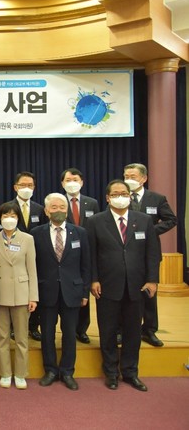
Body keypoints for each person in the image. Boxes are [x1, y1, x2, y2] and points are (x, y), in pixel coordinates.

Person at [88, 180, 160, 392]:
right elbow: (91, 254)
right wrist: (93, 279)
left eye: (124, 193)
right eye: (115, 194)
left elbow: (152, 253)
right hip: (107, 286)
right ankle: (111, 372)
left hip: (137, 286)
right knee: (108, 331)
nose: (120, 197)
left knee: (133, 332)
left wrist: (152, 279)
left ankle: (130, 372)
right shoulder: (95, 221)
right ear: (107, 198)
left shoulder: (144, 220)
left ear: (130, 196)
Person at [31, 193, 91, 391]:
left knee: (69, 334)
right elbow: (33, 265)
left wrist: (85, 293)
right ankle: (50, 370)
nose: (58, 210)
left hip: (72, 291)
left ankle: (67, 371)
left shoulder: (80, 232)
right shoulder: (36, 233)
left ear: (67, 210)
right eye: (54, 207)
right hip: (46, 291)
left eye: (62, 207)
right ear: (47, 211)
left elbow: (86, 265)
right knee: (47, 333)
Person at [123, 163, 177, 348]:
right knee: (124, 291)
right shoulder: (120, 197)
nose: (129, 179)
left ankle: (149, 330)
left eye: (133, 176)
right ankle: (123, 330)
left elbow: (171, 220)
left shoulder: (157, 198)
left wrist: (151, 231)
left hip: (148, 251)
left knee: (149, 292)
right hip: (124, 251)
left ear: (144, 178)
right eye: (126, 176)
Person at [0, 202, 38, 390]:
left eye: (13, 216)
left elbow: (32, 269)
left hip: (22, 293)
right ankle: (5, 373)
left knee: (21, 338)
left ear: (18, 218)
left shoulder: (28, 239)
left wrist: (33, 297)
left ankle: (20, 374)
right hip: (0, 294)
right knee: (2, 337)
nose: (9, 219)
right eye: (5, 216)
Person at [59, 168, 99, 344]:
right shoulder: (58, 202)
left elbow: (96, 227)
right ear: (62, 184)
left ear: (82, 182)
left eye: (75, 180)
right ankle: (68, 328)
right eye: (68, 180)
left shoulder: (92, 203)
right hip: (64, 253)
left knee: (83, 290)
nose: (72, 183)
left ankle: (82, 329)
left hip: (86, 251)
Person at [7, 171, 45, 341]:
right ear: (15, 187)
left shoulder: (40, 209)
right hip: (13, 257)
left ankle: (33, 326)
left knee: (34, 293)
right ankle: (12, 327)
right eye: (23, 185)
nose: (26, 188)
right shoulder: (8, 207)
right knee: (14, 292)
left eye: (30, 185)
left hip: (35, 257)